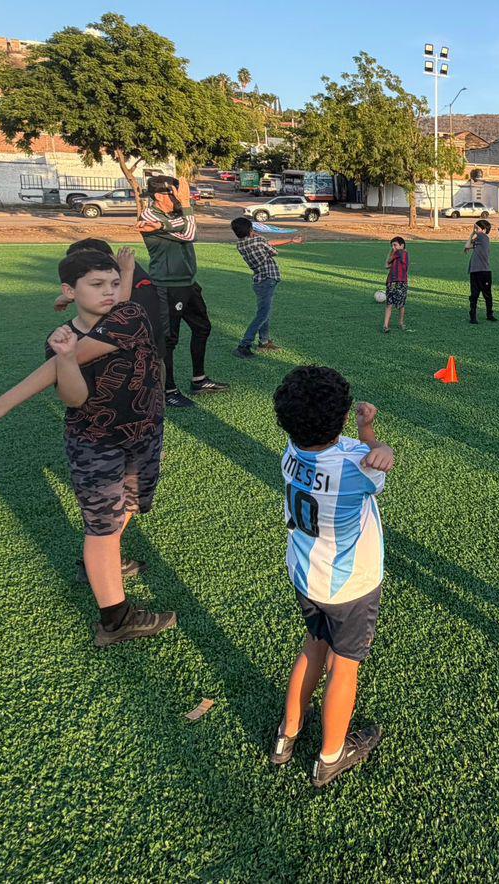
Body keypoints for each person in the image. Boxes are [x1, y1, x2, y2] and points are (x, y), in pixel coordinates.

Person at [0, 251, 176, 647]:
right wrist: (63, 358)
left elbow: (106, 320)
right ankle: (116, 619)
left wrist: (4, 401)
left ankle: (100, 561)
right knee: (102, 529)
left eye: (114, 284)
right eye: (97, 285)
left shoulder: (130, 315)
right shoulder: (61, 340)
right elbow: (75, 398)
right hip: (95, 443)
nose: (109, 292)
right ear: (69, 291)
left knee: (130, 508)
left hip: (144, 435)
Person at [269, 365, 396, 788]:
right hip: (349, 585)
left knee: (313, 646)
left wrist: (363, 434)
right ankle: (330, 756)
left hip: (306, 575)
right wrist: (373, 436)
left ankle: (287, 735)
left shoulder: (290, 451)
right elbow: (379, 461)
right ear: (342, 419)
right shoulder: (357, 466)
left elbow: (336, 451)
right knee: (344, 665)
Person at [138, 175, 225, 408]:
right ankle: (168, 390)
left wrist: (173, 219)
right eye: (175, 194)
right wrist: (185, 207)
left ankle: (199, 380)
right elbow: (190, 234)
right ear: (159, 196)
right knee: (168, 340)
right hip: (167, 285)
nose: (180, 198)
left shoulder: (174, 215)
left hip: (188, 283)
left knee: (202, 327)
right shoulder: (148, 217)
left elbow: (188, 226)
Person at [230, 216, 302, 359]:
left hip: (259, 281)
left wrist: (290, 240)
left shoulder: (240, 245)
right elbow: (273, 251)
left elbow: (266, 244)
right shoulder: (258, 240)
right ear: (250, 230)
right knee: (263, 315)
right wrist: (259, 236)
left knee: (264, 313)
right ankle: (244, 345)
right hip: (268, 279)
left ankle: (264, 342)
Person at [465, 219, 497, 324]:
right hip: (476, 271)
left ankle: (489, 314)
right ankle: (474, 316)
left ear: (484, 230)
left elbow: (467, 246)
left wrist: (473, 234)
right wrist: (472, 234)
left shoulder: (483, 237)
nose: (475, 230)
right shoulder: (479, 239)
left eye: (477, 228)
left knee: (486, 294)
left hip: (484, 271)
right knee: (475, 295)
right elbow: (467, 246)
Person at [382, 236, 411, 334]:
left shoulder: (402, 252)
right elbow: (387, 265)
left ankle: (401, 322)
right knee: (390, 304)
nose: (393, 247)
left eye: (395, 245)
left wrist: (391, 253)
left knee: (400, 304)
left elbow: (387, 262)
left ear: (402, 245)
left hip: (401, 282)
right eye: (392, 246)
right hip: (391, 281)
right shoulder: (397, 256)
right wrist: (392, 257)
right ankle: (386, 325)